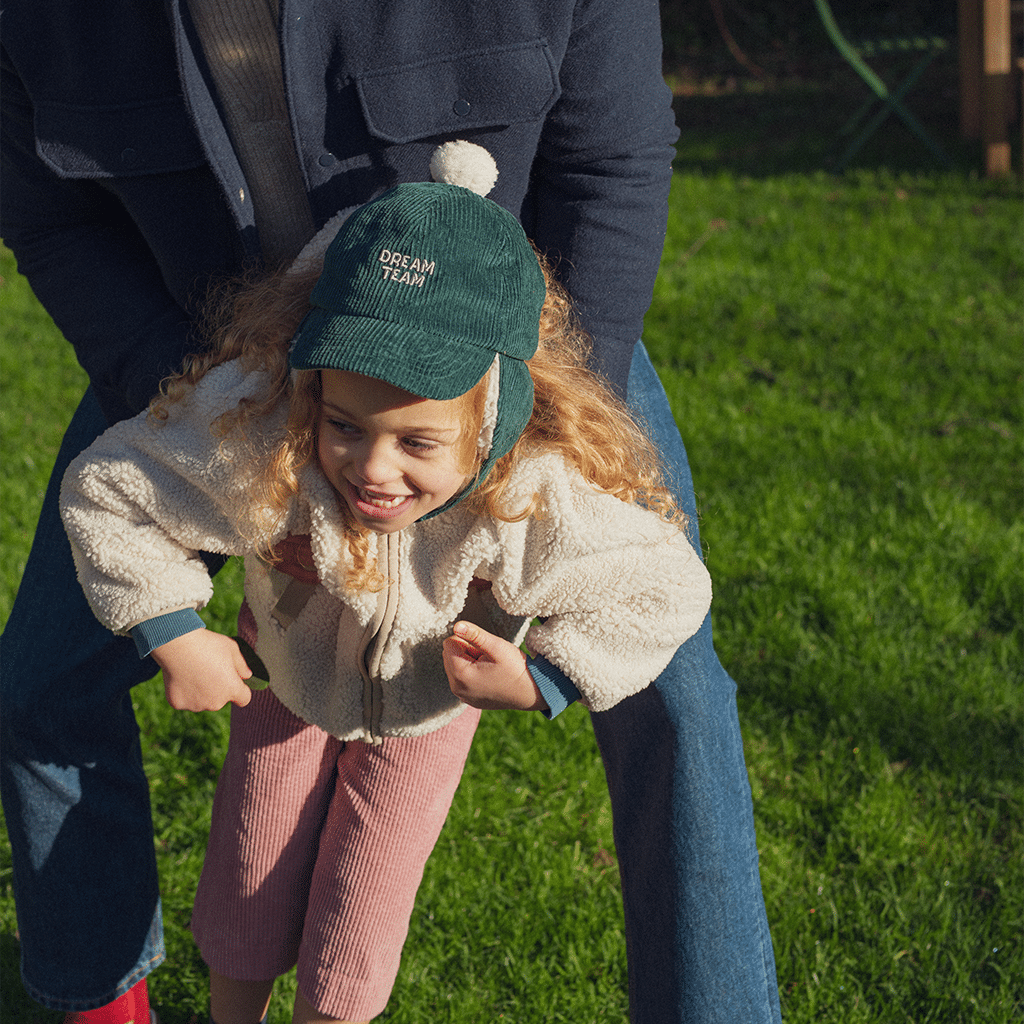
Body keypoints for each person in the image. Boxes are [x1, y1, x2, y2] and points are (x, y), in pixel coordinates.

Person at [0, 2, 781, 1022]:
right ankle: (99, 1000)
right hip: (221, 369)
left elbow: (613, 160)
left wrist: (519, 441)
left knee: (671, 696)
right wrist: (243, 446)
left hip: (511, 369)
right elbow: (54, 220)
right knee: (41, 687)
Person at [59, 173, 715, 1024]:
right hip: (281, 682)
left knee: (362, 911)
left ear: (494, 418)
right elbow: (111, 491)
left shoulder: (533, 494)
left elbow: (665, 587)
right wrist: (171, 630)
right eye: (346, 425)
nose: (372, 468)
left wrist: (543, 678)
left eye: (417, 441)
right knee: (248, 871)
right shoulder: (269, 432)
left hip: (424, 718)